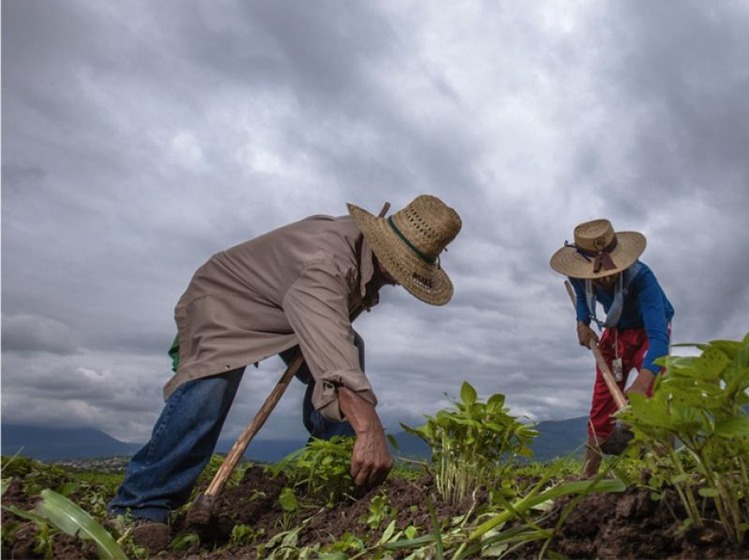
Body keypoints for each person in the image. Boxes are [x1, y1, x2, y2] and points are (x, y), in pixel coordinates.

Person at [108, 194, 462, 544]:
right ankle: (141, 506)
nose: (401, 280)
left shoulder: (358, 259)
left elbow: (333, 338)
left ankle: (331, 476)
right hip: (225, 300)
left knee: (351, 348)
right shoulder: (328, 262)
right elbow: (333, 351)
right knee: (212, 384)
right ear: (386, 254)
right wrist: (369, 429)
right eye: (402, 270)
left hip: (284, 305)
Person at [549, 218, 673, 475]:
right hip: (616, 330)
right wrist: (582, 322)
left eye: (609, 275)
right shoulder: (578, 274)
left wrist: (642, 383)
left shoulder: (642, 278)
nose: (603, 281)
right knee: (603, 397)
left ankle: (667, 470)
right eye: (597, 277)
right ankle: (588, 473)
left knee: (655, 390)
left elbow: (659, 337)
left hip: (649, 330)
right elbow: (583, 298)